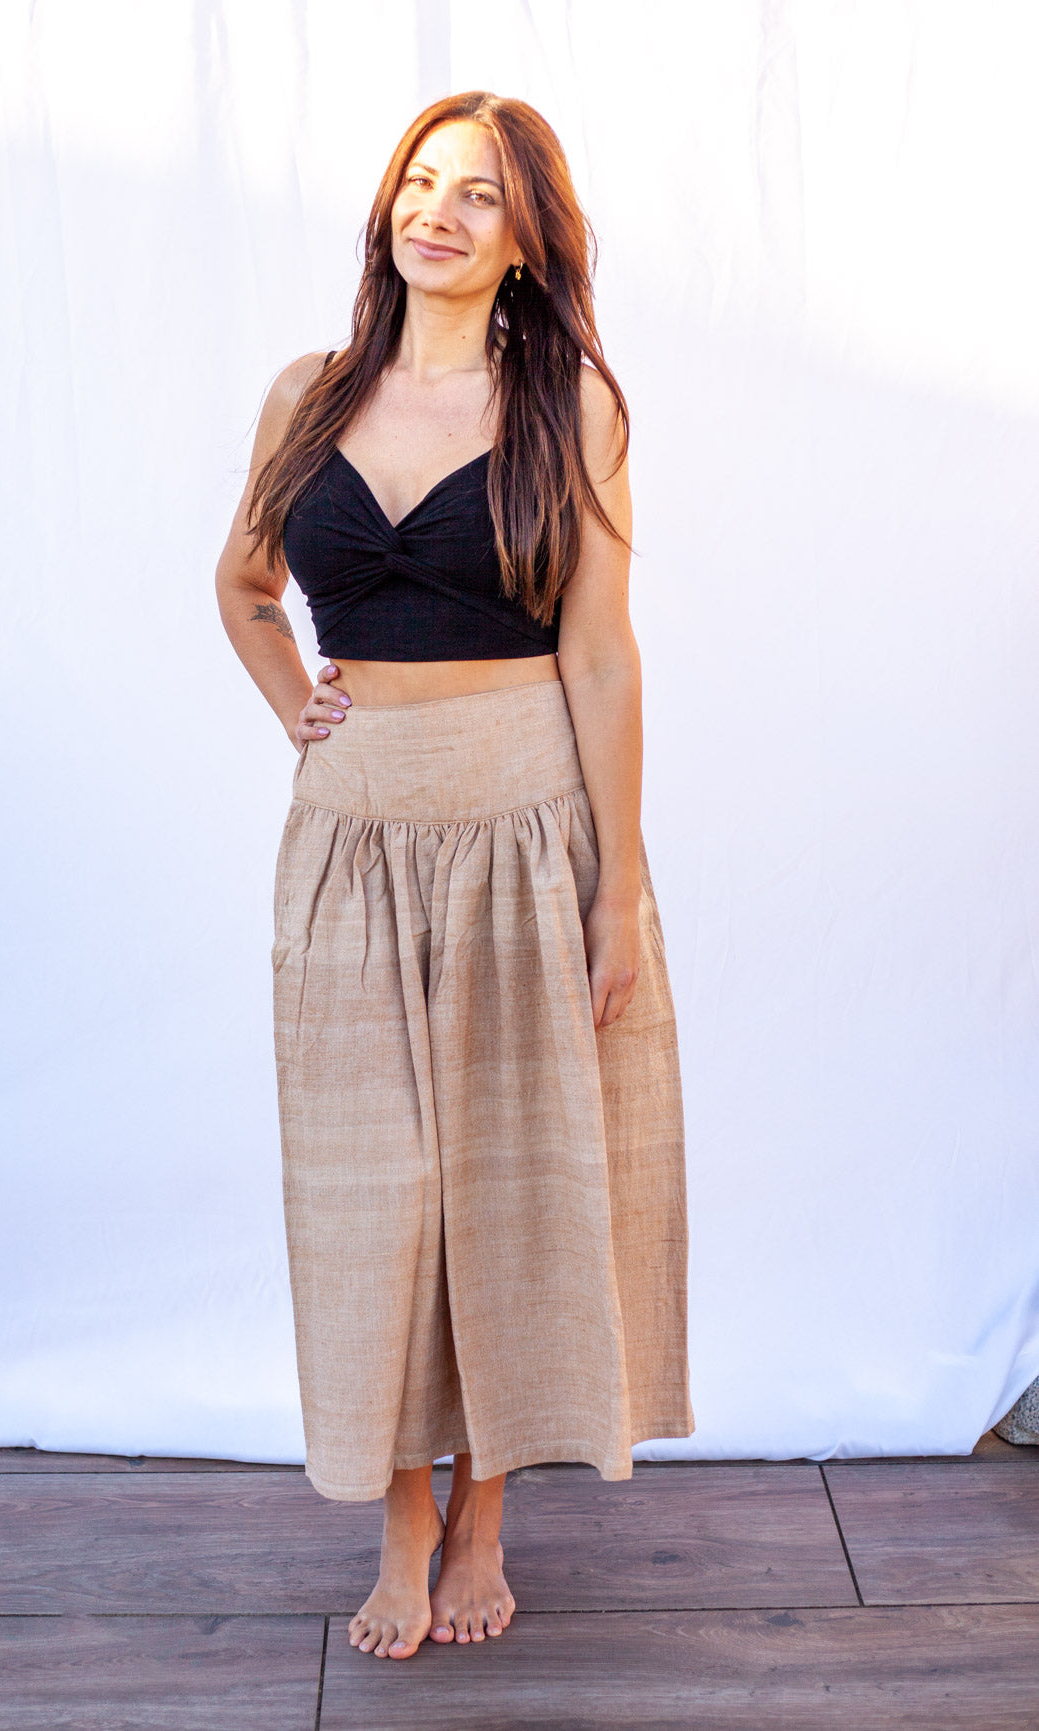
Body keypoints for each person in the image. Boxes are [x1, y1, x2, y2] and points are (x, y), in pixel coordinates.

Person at [215, 90, 693, 1662]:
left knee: (506, 1183)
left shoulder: (571, 408)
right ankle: (398, 1513)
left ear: (526, 239)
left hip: (523, 824)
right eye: (419, 182)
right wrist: (298, 710)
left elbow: (602, 658)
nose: (436, 211)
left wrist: (615, 892)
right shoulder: (307, 394)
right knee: (376, 1192)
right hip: (350, 839)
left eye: (477, 193)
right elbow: (243, 584)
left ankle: (480, 1510)